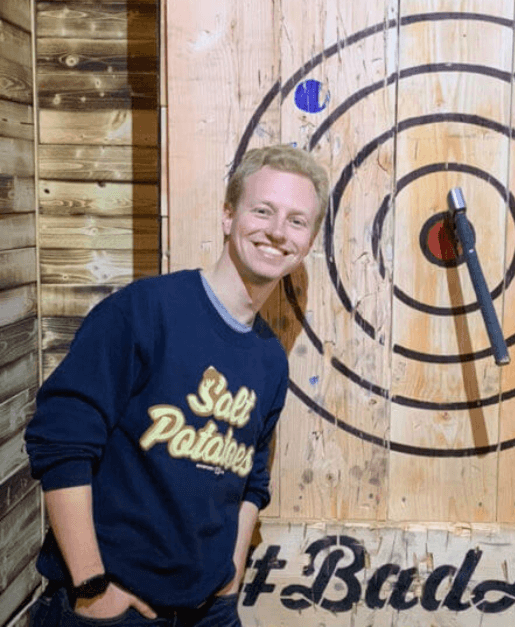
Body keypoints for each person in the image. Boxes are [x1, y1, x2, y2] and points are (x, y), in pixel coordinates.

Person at [25, 145, 329, 627]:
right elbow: (61, 442)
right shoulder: (145, 311)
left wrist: (229, 584)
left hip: (208, 611)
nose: (277, 231)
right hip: (107, 608)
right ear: (228, 216)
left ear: (309, 239)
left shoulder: (270, 359)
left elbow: (251, 480)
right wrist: (90, 588)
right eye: (263, 210)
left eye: (297, 221)